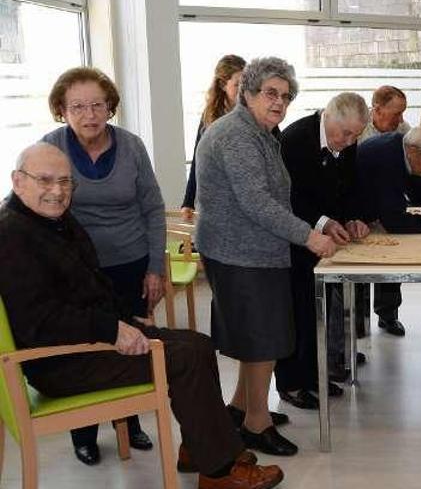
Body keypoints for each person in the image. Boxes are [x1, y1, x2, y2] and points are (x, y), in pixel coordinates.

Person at [0, 142, 284, 489]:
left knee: (198, 343)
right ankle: (219, 472)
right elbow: (41, 321)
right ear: (18, 181)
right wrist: (113, 329)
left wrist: (129, 321)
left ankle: (200, 449)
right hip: (62, 362)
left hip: (85, 342)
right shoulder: (11, 236)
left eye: (65, 181)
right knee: (184, 358)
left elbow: (92, 286)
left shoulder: (51, 222)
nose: (57, 191)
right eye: (45, 180)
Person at [196, 56, 336, 456]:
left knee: (260, 337)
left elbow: (275, 197)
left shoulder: (261, 132)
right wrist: (309, 236)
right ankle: (257, 424)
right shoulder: (236, 136)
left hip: (258, 250)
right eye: (270, 93)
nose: (279, 102)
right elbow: (257, 202)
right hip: (240, 253)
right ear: (248, 93)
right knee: (262, 341)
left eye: (286, 96)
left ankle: (241, 409)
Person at [42, 67, 164, 466]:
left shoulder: (131, 146)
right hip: (75, 270)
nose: (89, 114)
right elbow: (28, 203)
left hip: (130, 262)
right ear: (62, 110)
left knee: (131, 344)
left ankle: (129, 423)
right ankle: (84, 432)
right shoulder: (50, 146)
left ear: (110, 107)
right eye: (77, 106)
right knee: (84, 347)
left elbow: (152, 208)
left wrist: (155, 267)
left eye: (97, 104)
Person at [275, 92, 370, 410]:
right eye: (345, 134)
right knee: (297, 312)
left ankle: (314, 375)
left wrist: (355, 217)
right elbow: (290, 197)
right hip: (294, 239)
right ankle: (290, 383)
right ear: (328, 117)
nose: (349, 141)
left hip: (327, 241)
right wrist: (325, 222)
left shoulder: (347, 139)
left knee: (320, 310)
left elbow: (353, 185)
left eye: (355, 135)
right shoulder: (294, 140)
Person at [357, 125, 421, 336]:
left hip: (376, 213)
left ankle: (385, 315)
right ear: (414, 152)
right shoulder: (387, 159)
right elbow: (394, 220)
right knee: (359, 273)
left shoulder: (406, 149)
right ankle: (359, 330)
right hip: (354, 217)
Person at [181, 54, 246, 222]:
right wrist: (188, 201)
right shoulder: (210, 116)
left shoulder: (258, 115)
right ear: (223, 85)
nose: (244, 91)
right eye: (237, 85)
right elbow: (198, 159)